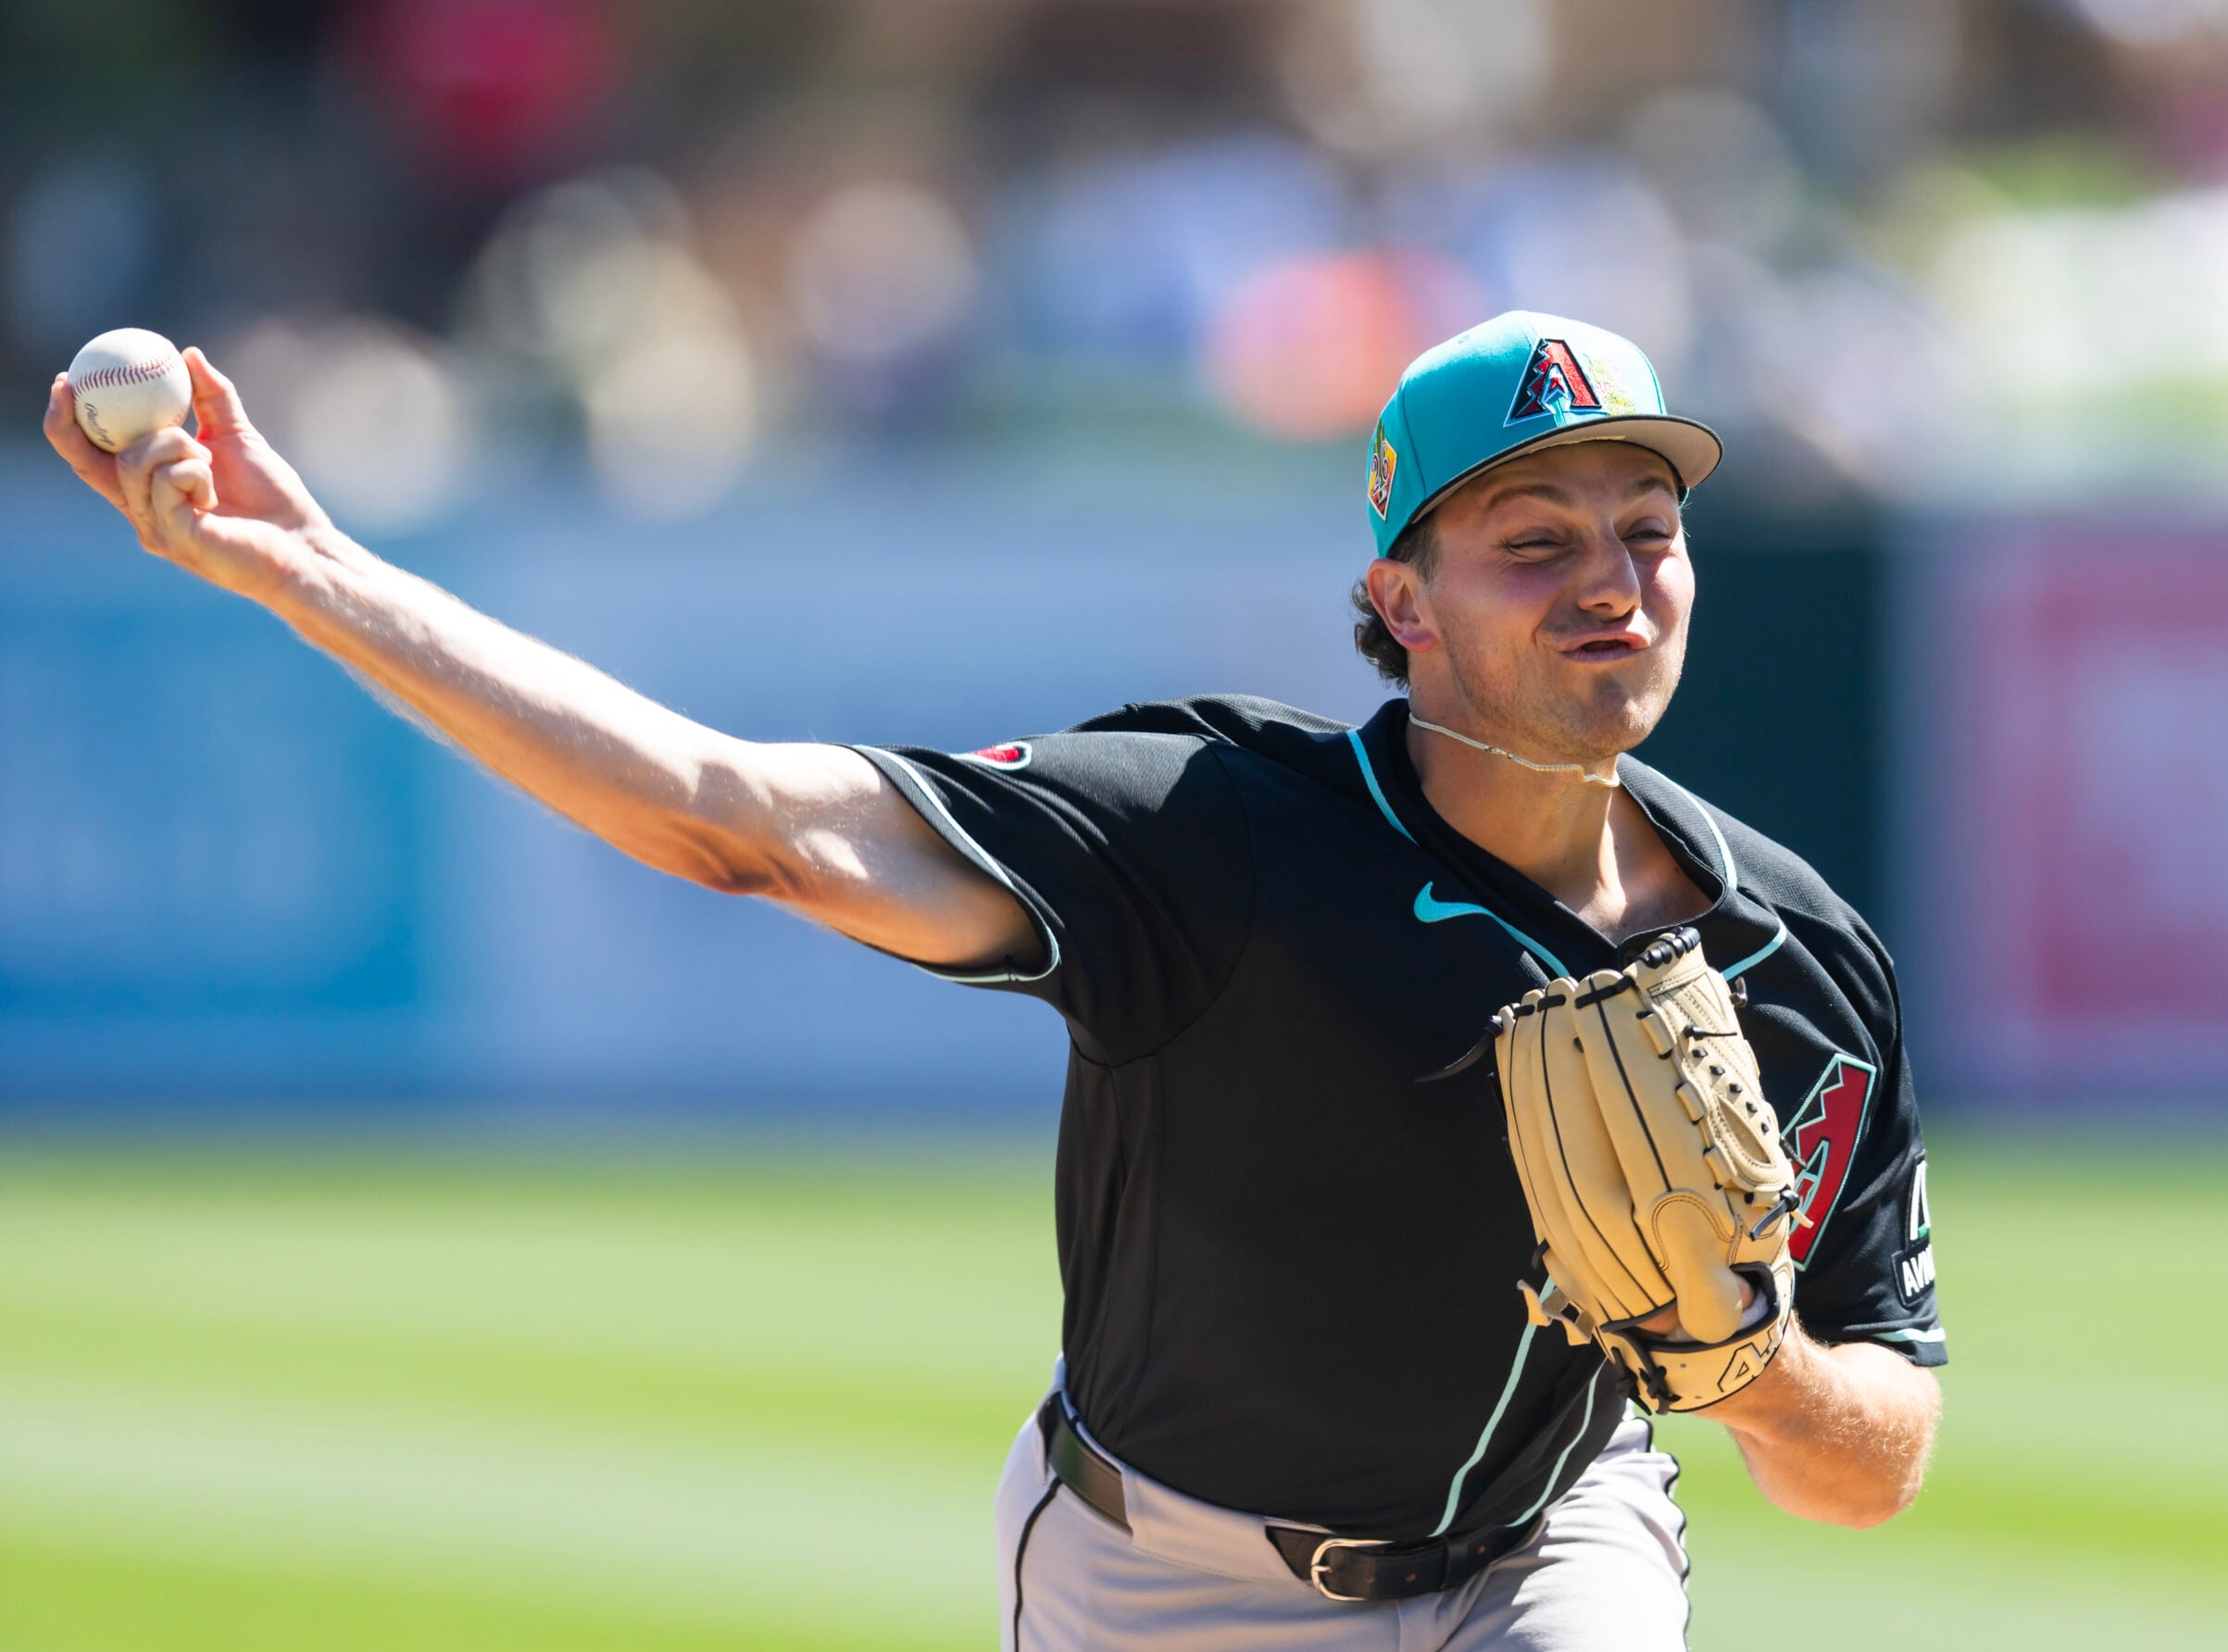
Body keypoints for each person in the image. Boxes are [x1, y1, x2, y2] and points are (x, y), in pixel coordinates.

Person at [44, 309, 1944, 1650]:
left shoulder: (1793, 962)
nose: (1609, 578)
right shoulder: (1211, 830)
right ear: (1400, 605)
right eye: (1533, 543)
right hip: (1166, 1579)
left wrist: (1757, 1374)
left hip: (1545, 1552)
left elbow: (1875, 1465)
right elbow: (736, 818)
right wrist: (307, 569)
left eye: (1646, 531)